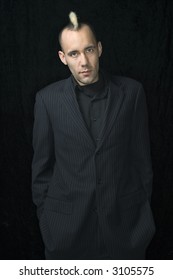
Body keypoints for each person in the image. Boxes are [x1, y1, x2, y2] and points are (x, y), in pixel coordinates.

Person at [32, 11, 155, 260]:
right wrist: (49, 221)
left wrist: (141, 217)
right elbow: (41, 171)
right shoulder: (47, 100)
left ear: (99, 48)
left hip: (125, 232)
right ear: (62, 57)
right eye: (74, 54)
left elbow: (142, 162)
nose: (83, 62)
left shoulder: (132, 93)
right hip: (66, 234)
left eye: (88, 50)